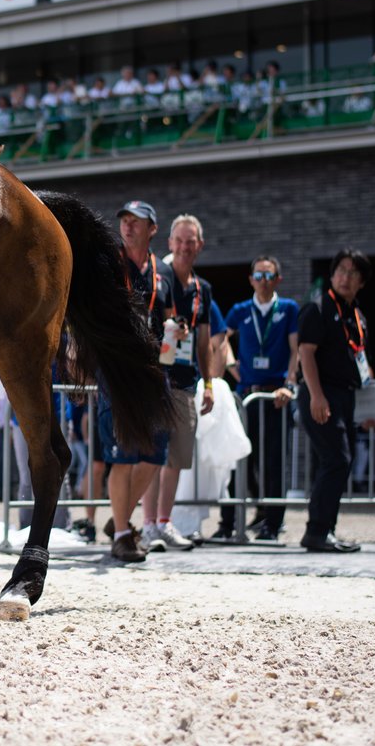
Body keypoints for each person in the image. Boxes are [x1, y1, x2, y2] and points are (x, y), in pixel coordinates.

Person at [100, 200, 175, 562]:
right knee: (124, 454)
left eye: (137, 222)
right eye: (125, 220)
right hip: (119, 368)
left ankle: (120, 522)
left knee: (155, 453)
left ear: (152, 229)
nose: (128, 227)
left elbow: (170, 314)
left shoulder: (165, 272)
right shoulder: (109, 263)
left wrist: (178, 330)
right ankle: (123, 534)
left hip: (156, 369)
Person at [141, 214, 218, 552]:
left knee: (177, 456)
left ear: (199, 246)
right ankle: (145, 526)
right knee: (152, 454)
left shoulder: (204, 290)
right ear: (170, 242)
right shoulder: (160, 277)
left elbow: (205, 341)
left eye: (191, 241)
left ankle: (163, 522)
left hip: (186, 380)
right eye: (180, 240)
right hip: (157, 378)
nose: (185, 247)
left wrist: (211, 384)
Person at [218, 256, 301, 541]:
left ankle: (272, 524)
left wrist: (290, 384)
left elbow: (296, 350)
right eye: (259, 276)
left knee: (274, 462)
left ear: (278, 279)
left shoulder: (288, 309)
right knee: (239, 456)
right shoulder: (241, 310)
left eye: (269, 276)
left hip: (276, 395)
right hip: (247, 395)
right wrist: (234, 370)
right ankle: (229, 521)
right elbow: (222, 339)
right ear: (251, 279)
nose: (263, 281)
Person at [296, 249, 373, 553]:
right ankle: (316, 532)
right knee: (337, 459)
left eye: (353, 272)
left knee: (336, 461)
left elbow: (360, 361)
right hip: (320, 392)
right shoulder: (317, 307)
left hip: (346, 395)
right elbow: (306, 353)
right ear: (331, 274)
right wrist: (316, 395)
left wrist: (370, 409)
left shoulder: (356, 315)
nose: (345, 277)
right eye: (341, 270)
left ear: (362, 281)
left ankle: (326, 529)